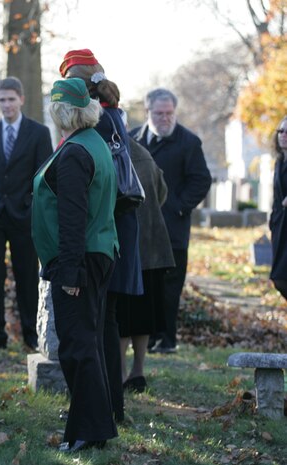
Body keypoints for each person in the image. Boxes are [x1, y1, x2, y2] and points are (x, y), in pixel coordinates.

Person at [31, 77, 118, 452]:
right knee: (86, 344)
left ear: (61, 112)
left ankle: (87, 431)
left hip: (78, 258)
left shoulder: (74, 154)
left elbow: (72, 219)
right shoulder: (93, 143)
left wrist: (69, 273)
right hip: (96, 252)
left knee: (76, 347)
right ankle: (95, 428)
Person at [60, 48, 142, 423]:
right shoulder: (112, 116)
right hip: (111, 230)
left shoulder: (99, 123)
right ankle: (111, 406)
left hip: (103, 232)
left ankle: (104, 407)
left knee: (97, 324)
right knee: (105, 321)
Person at [130, 88, 212, 354]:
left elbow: (201, 180)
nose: (165, 118)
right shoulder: (133, 139)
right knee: (144, 284)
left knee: (169, 286)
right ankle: (147, 337)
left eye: (169, 113)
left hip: (173, 228)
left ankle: (167, 339)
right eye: (159, 113)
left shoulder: (189, 142)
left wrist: (178, 206)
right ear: (148, 112)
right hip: (140, 230)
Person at [0, 76, 52, 350]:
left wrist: (33, 211)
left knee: (27, 277)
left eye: (11, 99)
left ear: (21, 99)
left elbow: (44, 176)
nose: (6, 105)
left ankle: (31, 333)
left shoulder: (39, 132)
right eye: (1, 100)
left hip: (24, 216)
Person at [117, 128, 175, 393]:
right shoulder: (143, 153)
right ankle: (138, 370)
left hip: (126, 246)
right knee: (143, 314)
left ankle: (119, 372)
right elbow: (161, 192)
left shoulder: (111, 150)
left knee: (120, 316)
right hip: (152, 245)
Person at [268, 116, 287, 301]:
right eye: (280, 131)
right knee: (279, 278)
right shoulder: (280, 162)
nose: (283, 135)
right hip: (281, 228)